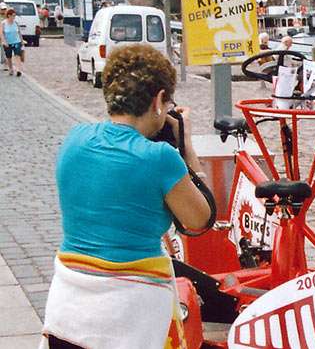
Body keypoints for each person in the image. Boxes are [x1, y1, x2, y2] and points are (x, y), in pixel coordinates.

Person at [42, 44, 211, 348]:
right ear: (159, 100)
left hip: (68, 309)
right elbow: (199, 219)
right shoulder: (160, 158)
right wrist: (186, 147)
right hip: (127, 318)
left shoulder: (75, 139)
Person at [1, 8, 25, 76]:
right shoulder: (3, 23)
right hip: (7, 43)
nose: (14, 17)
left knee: (17, 55)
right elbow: (1, 33)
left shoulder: (16, 23)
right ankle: (11, 69)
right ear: (9, 15)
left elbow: (19, 32)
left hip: (17, 41)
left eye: (15, 15)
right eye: (13, 15)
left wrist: (22, 41)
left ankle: (18, 70)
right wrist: (4, 41)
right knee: (9, 57)